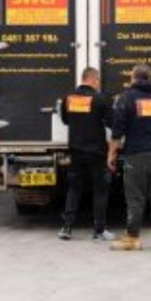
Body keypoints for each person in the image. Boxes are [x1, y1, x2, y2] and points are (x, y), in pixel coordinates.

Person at [107, 64, 151, 252]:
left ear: (133, 78)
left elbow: (117, 130)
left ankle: (132, 238)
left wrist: (112, 153)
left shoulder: (126, 98)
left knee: (136, 198)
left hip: (136, 155)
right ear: (149, 78)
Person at [58, 67, 114, 241]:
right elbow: (112, 122)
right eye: (98, 81)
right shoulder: (101, 99)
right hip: (96, 152)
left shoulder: (68, 99)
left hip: (75, 150)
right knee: (100, 190)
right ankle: (99, 231)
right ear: (94, 80)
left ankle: (67, 228)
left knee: (74, 188)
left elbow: (66, 120)